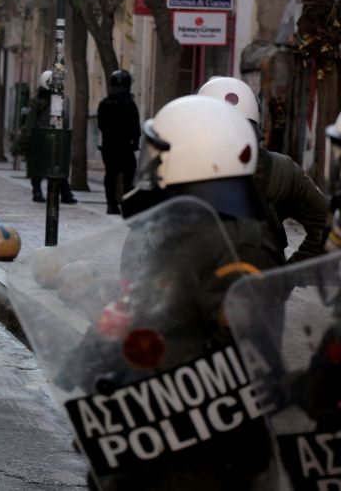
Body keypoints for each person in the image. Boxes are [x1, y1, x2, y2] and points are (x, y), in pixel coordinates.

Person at [65, 95, 282, 489]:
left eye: (158, 155)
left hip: (197, 456)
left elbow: (237, 360)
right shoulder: (184, 227)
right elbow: (164, 312)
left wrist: (142, 388)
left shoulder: (237, 244)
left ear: (194, 159)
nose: (149, 166)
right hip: (150, 438)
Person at [197, 76, 329, 263]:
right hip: (264, 284)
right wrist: (291, 273)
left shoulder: (181, 166)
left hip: (195, 282)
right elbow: (326, 224)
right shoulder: (283, 170)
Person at [22, 70, 76, 204]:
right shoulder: (36, 101)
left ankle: (64, 193)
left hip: (54, 139)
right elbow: (30, 121)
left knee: (58, 167)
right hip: (42, 139)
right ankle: (38, 191)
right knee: (38, 168)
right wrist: (29, 138)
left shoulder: (59, 100)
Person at [97, 69, 141, 215]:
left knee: (110, 175)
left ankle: (111, 205)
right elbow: (136, 127)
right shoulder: (130, 103)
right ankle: (127, 206)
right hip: (125, 146)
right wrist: (135, 143)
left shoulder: (105, 103)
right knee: (129, 176)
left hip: (109, 146)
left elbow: (101, 125)